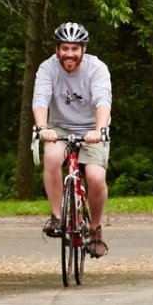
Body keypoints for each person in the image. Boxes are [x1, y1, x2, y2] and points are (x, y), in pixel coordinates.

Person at [32, 22, 112, 258]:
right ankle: (57, 218)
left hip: (91, 129)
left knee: (96, 178)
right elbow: (40, 100)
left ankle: (95, 229)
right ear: (57, 49)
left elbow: (103, 101)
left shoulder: (96, 68)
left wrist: (99, 129)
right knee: (53, 157)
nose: (69, 54)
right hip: (59, 128)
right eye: (64, 48)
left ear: (83, 50)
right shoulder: (47, 68)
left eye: (74, 49)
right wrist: (42, 127)